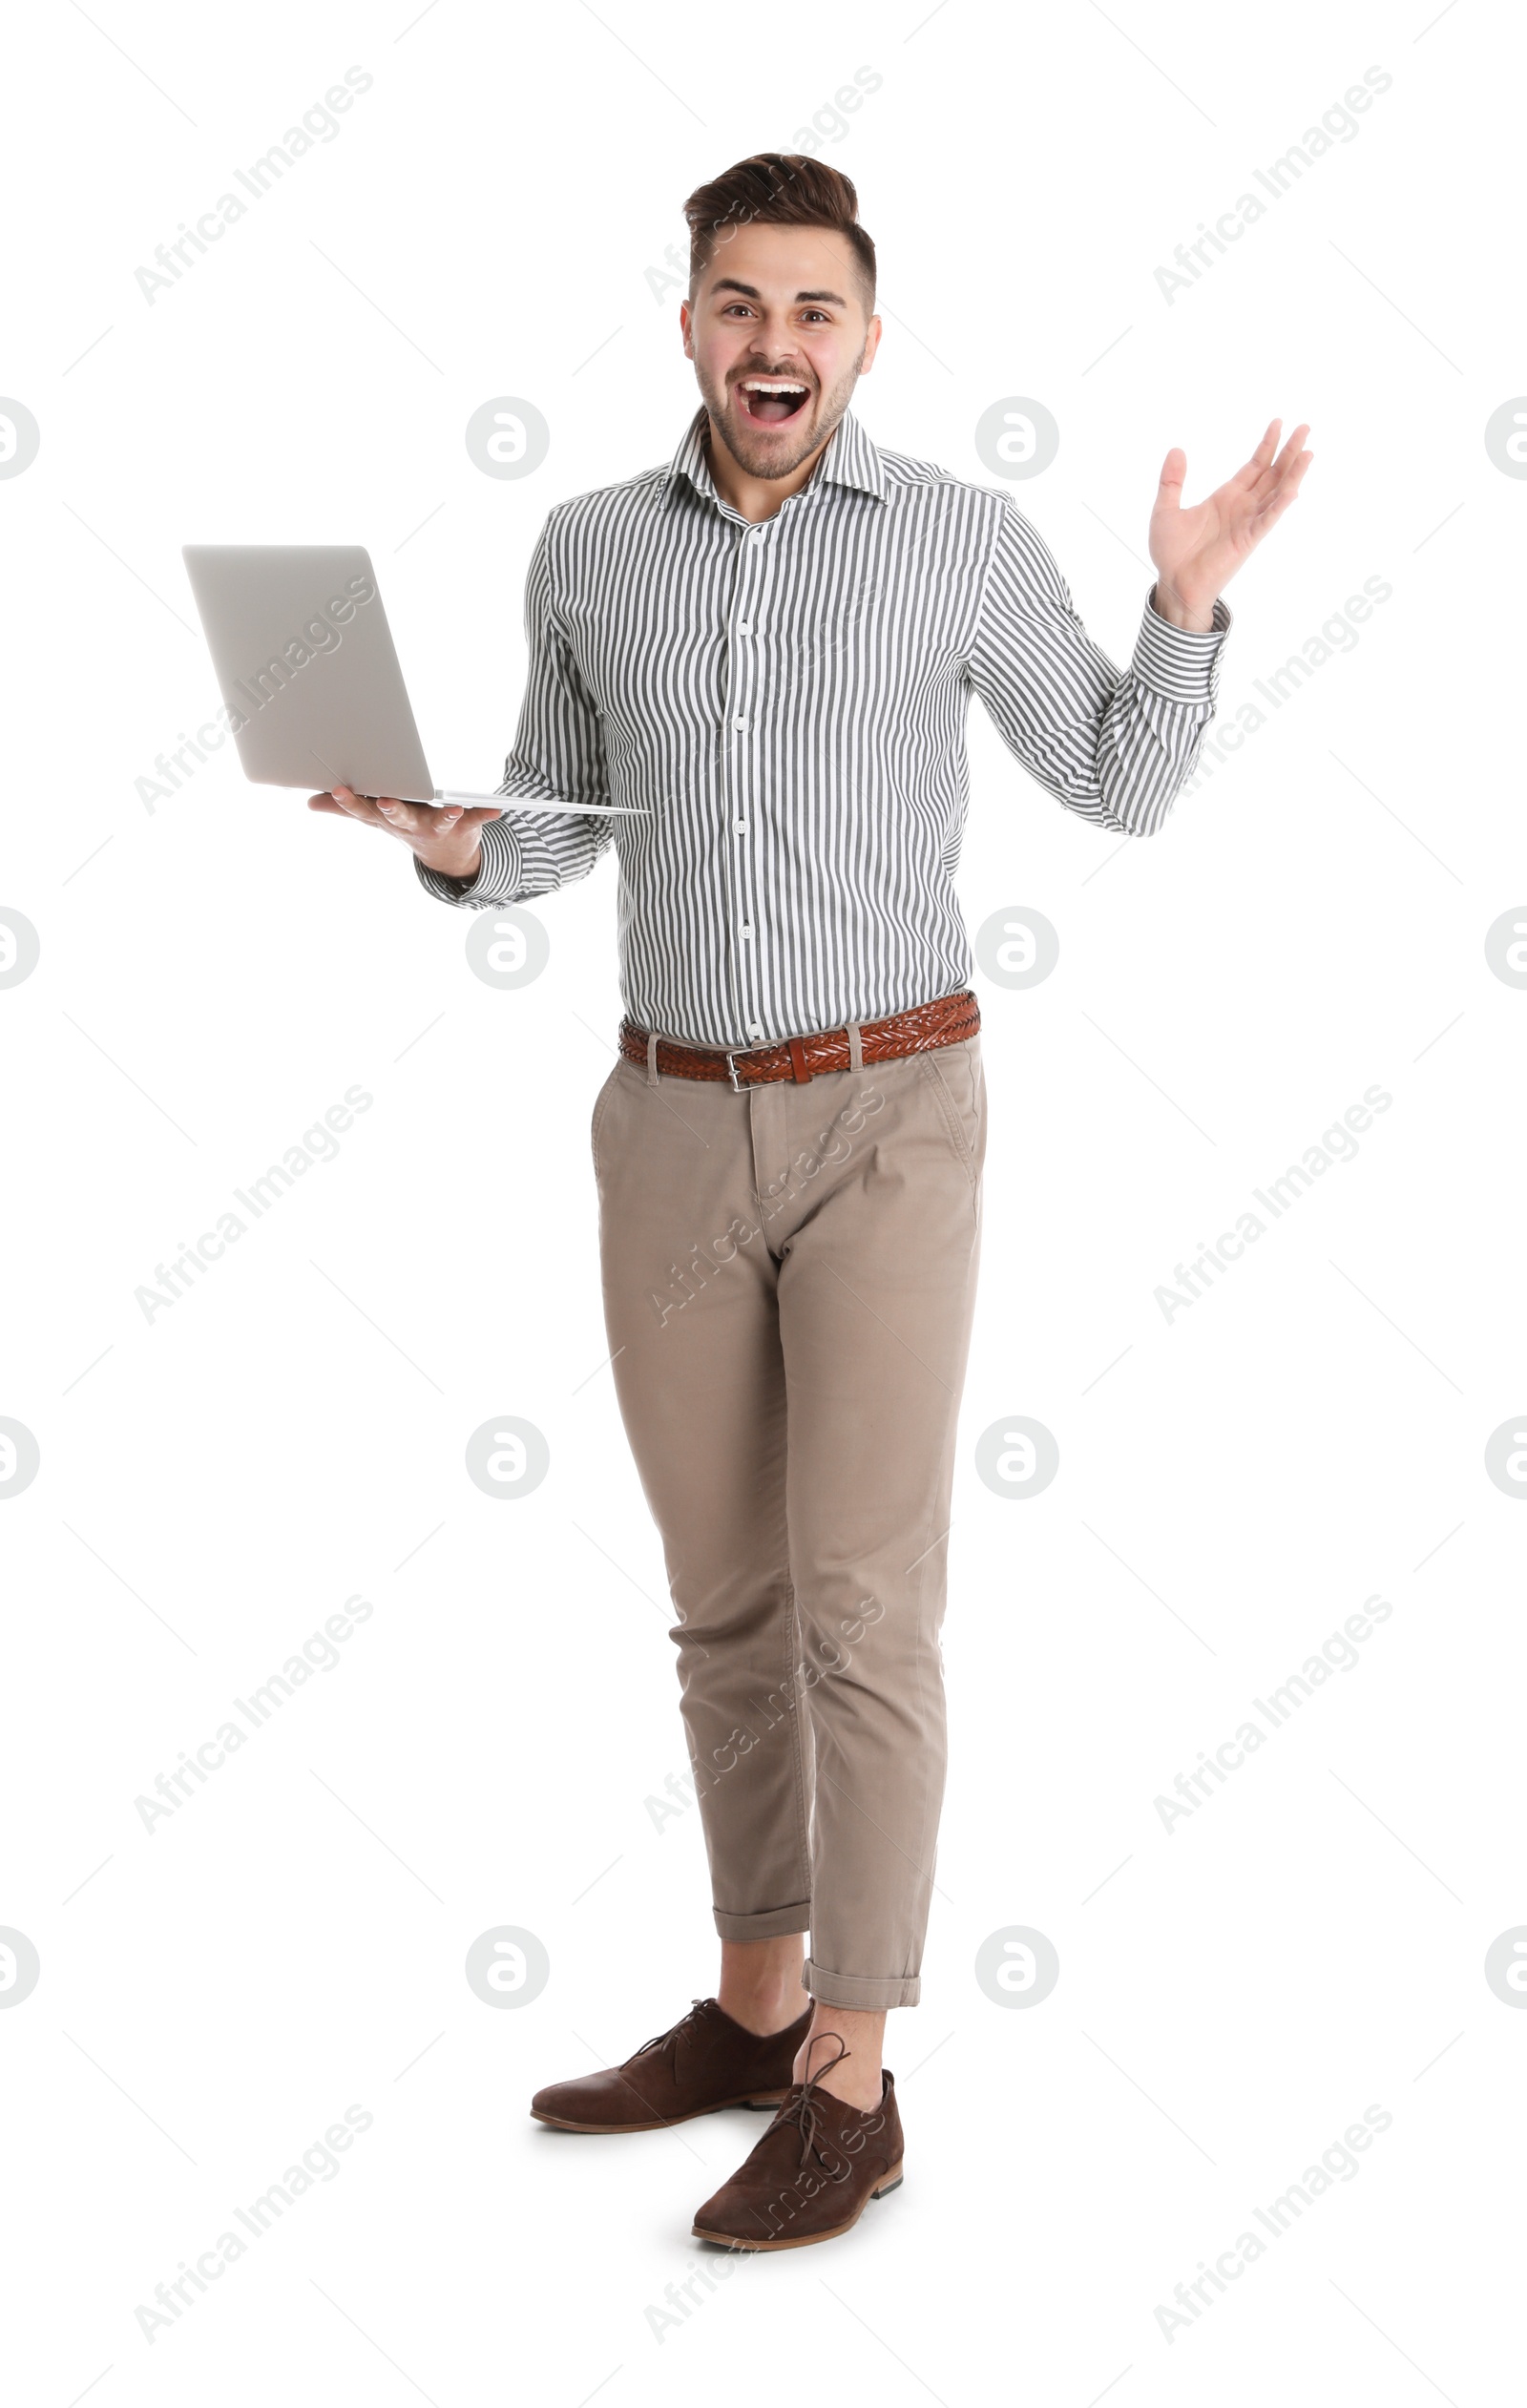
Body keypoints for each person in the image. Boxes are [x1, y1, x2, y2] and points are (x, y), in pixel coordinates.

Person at [310, 152, 1310, 2251]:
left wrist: (1185, 602)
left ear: (865, 334)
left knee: (860, 1605)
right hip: (665, 1119)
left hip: (889, 1117)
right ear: (684, 324)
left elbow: (1117, 781)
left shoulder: (952, 537)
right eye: (737, 304)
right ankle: (754, 2002)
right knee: (721, 1604)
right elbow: (556, 835)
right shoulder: (586, 547)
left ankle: (853, 2067)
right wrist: (438, 838)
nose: (774, 342)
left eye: (813, 310)